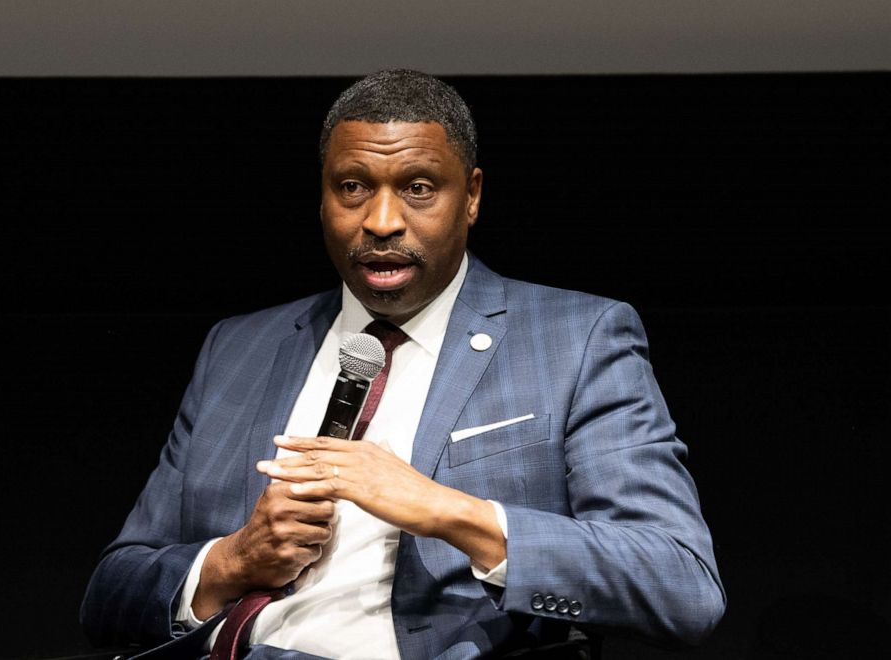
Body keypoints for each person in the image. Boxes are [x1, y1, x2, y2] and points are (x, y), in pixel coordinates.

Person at [81, 69, 725, 659]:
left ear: (470, 196)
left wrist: (449, 512)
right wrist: (230, 563)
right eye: (353, 187)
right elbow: (111, 592)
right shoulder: (240, 347)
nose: (382, 221)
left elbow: (679, 583)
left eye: (418, 188)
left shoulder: (576, 337)